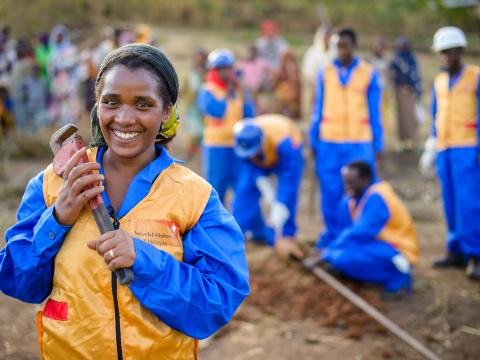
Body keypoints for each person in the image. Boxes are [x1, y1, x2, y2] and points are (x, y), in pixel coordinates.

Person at [0, 44, 250, 358]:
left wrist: (143, 260)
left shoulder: (194, 196)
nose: (124, 118)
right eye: (112, 102)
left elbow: (217, 301)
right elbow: (18, 281)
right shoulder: (53, 182)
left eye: (143, 104)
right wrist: (57, 219)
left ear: (166, 112)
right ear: (97, 105)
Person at [309, 28, 383, 247]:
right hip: (329, 141)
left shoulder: (368, 73)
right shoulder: (325, 72)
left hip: (359, 141)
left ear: (354, 46)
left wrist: (378, 143)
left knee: (362, 190)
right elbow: (318, 107)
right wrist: (314, 138)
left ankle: (358, 236)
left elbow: (375, 111)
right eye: (337, 46)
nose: (341, 51)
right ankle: (334, 236)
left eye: (345, 46)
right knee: (331, 189)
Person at [305, 161, 419, 295]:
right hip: (374, 246)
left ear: (365, 180)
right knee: (339, 254)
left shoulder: (377, 197)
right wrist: (320, 247)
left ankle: (397, 279)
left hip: (395, 250)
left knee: (342, 258)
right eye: (345, 183)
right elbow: (337, 230)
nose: (347, 187)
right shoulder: (351, 200)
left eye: (351, 182)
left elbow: (360, 233)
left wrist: (326, 254)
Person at [426, 26, 480, 280]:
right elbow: (435, 113)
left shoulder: (475, 77)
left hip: (467, 147)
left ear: (461, 50)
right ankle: (455, 250)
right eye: (443, 52)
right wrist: (431, 142)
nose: (447, 56)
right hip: (444, 148)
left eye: (451, 51)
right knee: (449, 201)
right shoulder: (439, 81)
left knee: (469, 203)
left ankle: (475, 254)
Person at [232, 114, 304, 260]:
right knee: (245, 191)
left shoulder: (286, 143)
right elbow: (249, 165)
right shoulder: (243, 140)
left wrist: (279, 205)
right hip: (263, 155)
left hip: (287, 155)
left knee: (287, 198)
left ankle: (285, 234)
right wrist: (262, 182)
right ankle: (235, 234)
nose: (250, 157)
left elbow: (288, 181)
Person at [197, 48, 255, 203]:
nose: (225, 72)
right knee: (216, 188)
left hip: (238, 146)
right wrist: (228, 91)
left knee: (242, 188)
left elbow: (249, 115)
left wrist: (242, 90)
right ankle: (214, 225)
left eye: (228, 68)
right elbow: (216, 112)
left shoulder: (240, 90)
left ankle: (241, 224)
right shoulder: (207, 90)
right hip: (216, 147)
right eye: (220, 69)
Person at [390, 36, 423, 151]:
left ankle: (415, 143)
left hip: (412, 93)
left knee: (413, 118)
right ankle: (402, 143)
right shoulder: (395, 59)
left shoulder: (412, 58)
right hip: (400, 93)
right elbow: (392, 75)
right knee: (400, 119)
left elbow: (415, 75)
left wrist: (415, 89)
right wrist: (400, 86)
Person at [48, 25, 81, 126]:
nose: (58, 38)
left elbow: (72, 62)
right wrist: (54, 66)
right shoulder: (53, 51)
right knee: (59, 104)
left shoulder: (70, 49)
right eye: (56, 36)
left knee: (69, 103)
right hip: (58, 82)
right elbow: (50, 66)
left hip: (69, 81)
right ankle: (61, 126)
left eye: (60, 36)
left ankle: (70, 125)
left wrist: (61, 64)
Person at [183, 47, 208, 158]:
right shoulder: (191, 72)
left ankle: (199, 150)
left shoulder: (207, 73)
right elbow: (186, 88)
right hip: (192, 105)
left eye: (201, 57)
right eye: (197, 57)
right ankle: (191, 151)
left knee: (202, 129)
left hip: (204, 105)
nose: (198, 59)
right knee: (193, 129)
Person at [368, 37, 393, 148]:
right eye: (377, 46)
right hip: (374, 94)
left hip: (384, 92)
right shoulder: (370, 61)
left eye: (381, 47)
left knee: (385, 118)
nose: (379, 49)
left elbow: (389, 77)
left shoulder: (387, 61)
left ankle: (384, 141)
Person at [273, 48, 302, 120]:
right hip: (284, 90)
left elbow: (294, 81)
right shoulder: (283, 66)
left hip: (290, 91)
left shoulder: (291, 66)